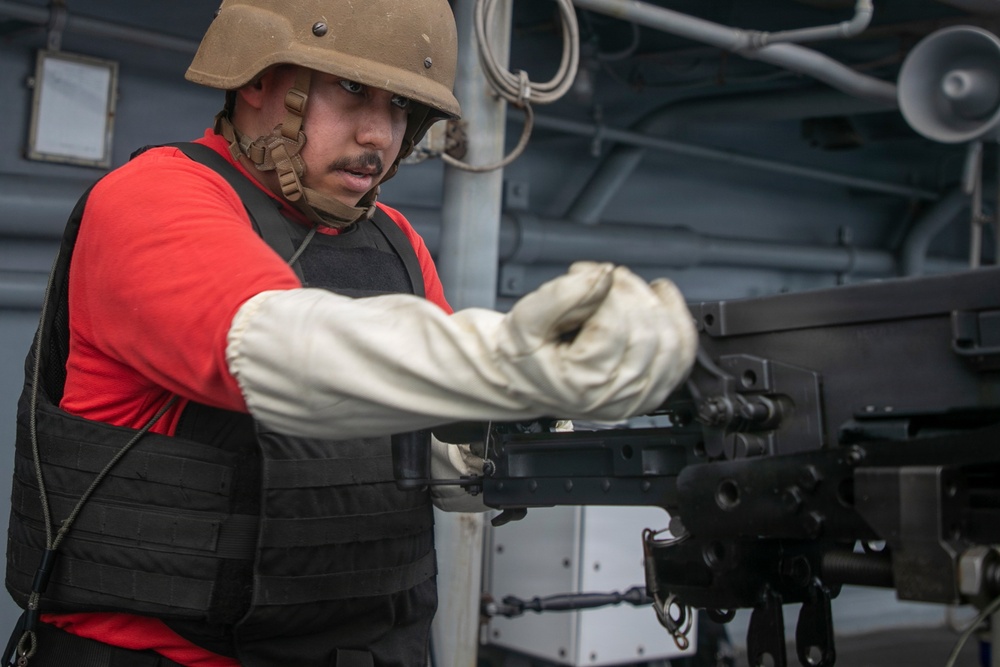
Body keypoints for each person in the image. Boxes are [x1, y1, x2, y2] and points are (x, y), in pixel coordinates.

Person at [4, 0, 697, 666]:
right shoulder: (153, 197)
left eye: (399, 105)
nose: (379, 134)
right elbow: (276, 348)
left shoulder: (395, 244)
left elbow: (426, 450)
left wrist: (556, 430)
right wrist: (514, 363)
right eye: (350, 89)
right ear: (255, 78)